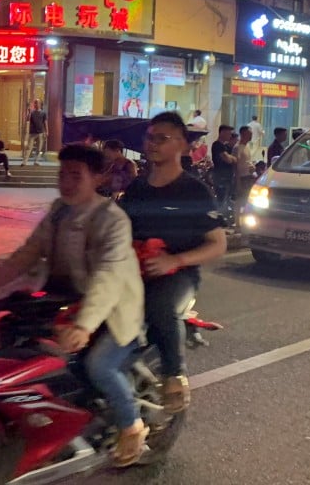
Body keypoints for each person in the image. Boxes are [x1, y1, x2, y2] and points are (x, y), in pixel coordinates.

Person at [0, 145, 147, 466]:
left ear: (96, 177)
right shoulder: (58, 211)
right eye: (62, 174)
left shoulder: (111, 219)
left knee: (99, 367)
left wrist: (85, 325)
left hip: (113, 308)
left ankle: (131, 425)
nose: (66, 181)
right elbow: (27, 253)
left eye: (76, 175)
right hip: (66, 302)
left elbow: (108, 276)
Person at [118, 112, 226, 414]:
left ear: (181, 144)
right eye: (150, 137)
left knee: (160, 307)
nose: (152, 144)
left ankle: (174, 374)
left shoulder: (194, 191)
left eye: (162, 138)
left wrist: (174, 260)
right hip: (132, 271)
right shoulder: (137, 188)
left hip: (177, 275)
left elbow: (218, 244)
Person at [211, 125, 237, 215]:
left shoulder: (225, 146)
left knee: (226, 199)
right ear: (222, 133)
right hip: (220, 177)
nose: (230, 136)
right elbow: (228, 159)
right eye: (228, 133)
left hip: (227, 178)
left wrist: (232, 158)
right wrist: (232, 158)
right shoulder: (217, 145)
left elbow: (231, 158)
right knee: (221, 200)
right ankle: (219, 220)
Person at [234, 125, 256, 225]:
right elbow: (235, 164)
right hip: (241, 177)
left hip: (248, 176)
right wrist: (237, 181)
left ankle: (244, 221)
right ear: (243, 134)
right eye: (249, 134)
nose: (251, 136)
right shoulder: (237, 147)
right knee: (239, 200)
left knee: (247, 200)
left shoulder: (247, 147)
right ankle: (237, 222)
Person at [21, 99, 47, 166]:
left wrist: (47, 131)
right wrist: (29, 112)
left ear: (40, 104)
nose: (36, 104)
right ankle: (24, 162)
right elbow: (27, 119)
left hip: (40, 132)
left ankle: (36, 161)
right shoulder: (32, 112)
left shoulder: (43, 113)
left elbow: (45, 122)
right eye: (35, 103)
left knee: (39, 148)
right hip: (32, 133)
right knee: (29, 147)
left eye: (37, 103)